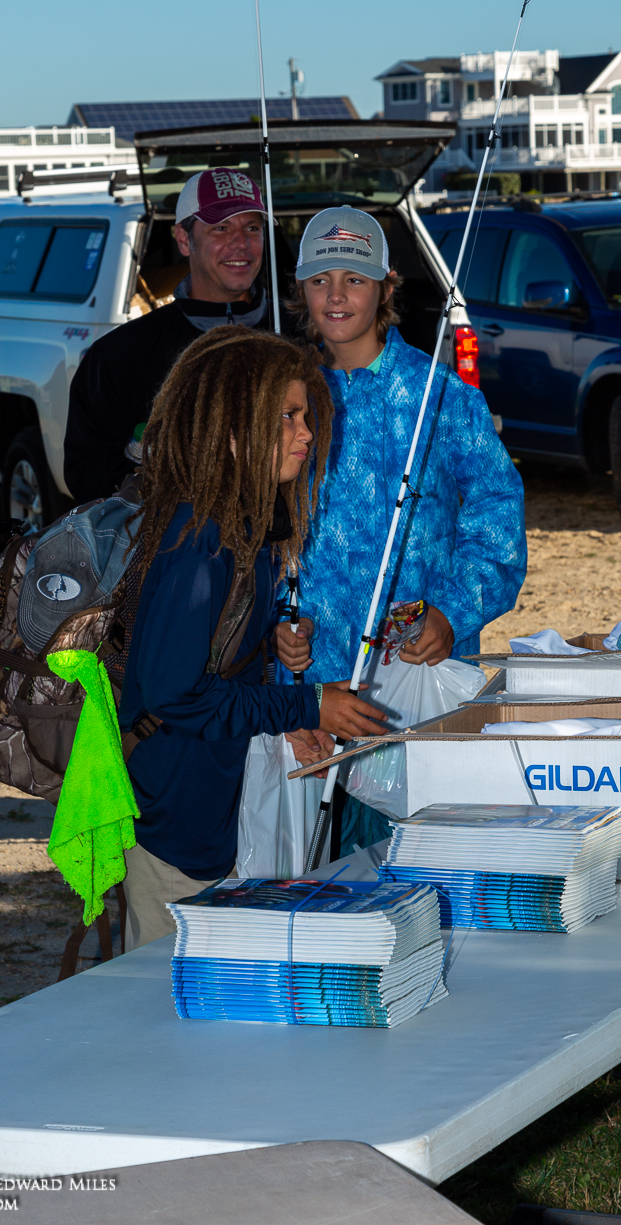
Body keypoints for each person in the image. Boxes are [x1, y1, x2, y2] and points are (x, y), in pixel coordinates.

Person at [118, 325, 389, 949]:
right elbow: (174, 693)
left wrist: (272, 675)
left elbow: (215, 669)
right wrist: (305, 705)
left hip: (207, 807)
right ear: (233, 429)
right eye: (287, 417)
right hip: (172, 820)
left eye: (306, 416)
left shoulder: (243, 527)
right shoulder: (201, 542)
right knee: (163, 990)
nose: (306, 433)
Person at [278, 206, 528, 852]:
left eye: (354, 280)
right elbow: (253, 535)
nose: (336, 296)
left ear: (386, 287)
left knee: (418, 865)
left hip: (416, 691)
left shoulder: (443, 396)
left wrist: (451, 610)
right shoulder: (280, 401)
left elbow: (497, 518)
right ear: (300, 289)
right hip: (307, 701)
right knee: (313, 878)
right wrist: (275, 626)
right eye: (320, 279)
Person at [64, 167, 280, 504]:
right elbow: (88, 472)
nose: (241, 243)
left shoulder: (296, 335)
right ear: (183, 238)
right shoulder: (120, 355)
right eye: (221, 228)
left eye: (252, 227)